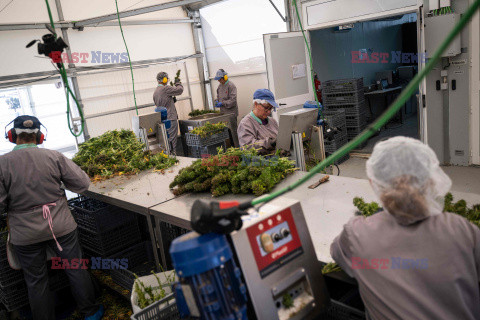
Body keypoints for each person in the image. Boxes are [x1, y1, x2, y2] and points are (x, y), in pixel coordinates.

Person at [330, 137, 480, 320]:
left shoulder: (357, 233)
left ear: (373, 183)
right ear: (431, 181)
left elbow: (338, 255)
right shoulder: (461, 229)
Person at [0, 116, 103, 320]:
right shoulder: (54, 157)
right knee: (75, 268)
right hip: (60, 227)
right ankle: (90, 313)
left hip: (25, 235)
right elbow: (82, 183)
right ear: (40, 136)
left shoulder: (2, 164)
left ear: (11, 136)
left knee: (36, 280)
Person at [237, 89, 279, 155]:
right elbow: (248, 147)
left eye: (270, 108)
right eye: (266, 108)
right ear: (256, 104)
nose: (269, 112)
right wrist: (270, 143)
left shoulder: (272, 121)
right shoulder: (245, 123)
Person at [153, 71, 184, 154]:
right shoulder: (165, 88)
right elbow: (180, 90)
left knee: (167, 140)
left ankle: (169, 155)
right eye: (166, 79)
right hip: (170, 118)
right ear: (164, 79)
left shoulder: (156, 91)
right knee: (172, 140)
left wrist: (171, 101)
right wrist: (178, 83)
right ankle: (174, 157)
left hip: (163, 119)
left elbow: (160, 104)